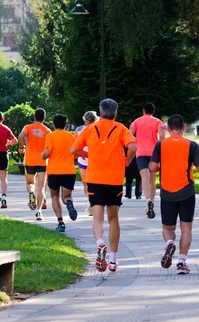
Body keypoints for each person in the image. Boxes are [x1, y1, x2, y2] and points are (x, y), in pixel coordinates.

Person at [72, 98, 137, 273]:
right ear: (115, 114)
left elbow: (74, 150)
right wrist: (127, 160)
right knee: (114, 218)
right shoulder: (121, 128)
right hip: (114, 179)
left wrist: (90, 154)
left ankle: (100, 243)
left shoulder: (90, 128)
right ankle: (113, 260)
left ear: (100, 114)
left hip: (94, 178)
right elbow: (133, 146)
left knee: (97, 217)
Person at [149, 115, 199, 274]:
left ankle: (169, 242)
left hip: (167, 191)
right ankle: (181, 262)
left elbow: (152, 167)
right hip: (186, 190)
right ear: (183, 128)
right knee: (186, 228)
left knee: (167, 227)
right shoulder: (192, 145)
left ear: (168, 129)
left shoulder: (160, 145)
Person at [41, 114, 77, 231]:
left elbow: (46, 153)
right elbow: (75, 153)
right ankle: (69, 204)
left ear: (53, 124)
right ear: (65, 125)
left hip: (54, 171)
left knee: (55, 196)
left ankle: (61, 222)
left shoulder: (50, 136)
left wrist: (42, 156)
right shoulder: (71, 137)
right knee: (67, 196)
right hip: (69, 171)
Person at [131, 102, 165, 219]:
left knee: (144, 178)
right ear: (153, 111)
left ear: (143, 110)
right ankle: (152, 202)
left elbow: (130, 134)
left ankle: (147, 200)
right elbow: (162, 134)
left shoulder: (137, 121)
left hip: (141, 153)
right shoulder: (157, 121)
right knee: (152, 179)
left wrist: (137, 141)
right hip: (154, 153)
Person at [19, 108, 51, 220]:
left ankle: (31, 193)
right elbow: (50, 147)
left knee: (30, 183)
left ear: (34, 117)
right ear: (44, 118)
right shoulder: (47, 130)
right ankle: (38, 211)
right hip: (43, 161)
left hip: (30, 160)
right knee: (41, 187)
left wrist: (21, 146)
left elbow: (21, 136)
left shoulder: (28, 127)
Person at [75, 111, 98, 216]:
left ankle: (91, 202)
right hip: (94, 159)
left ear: (84, 119)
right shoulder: (98, 129)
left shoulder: (79, 130)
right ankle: (93, 203)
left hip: (83, 159)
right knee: (94, 182)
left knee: (86, 184)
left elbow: (75, 145)